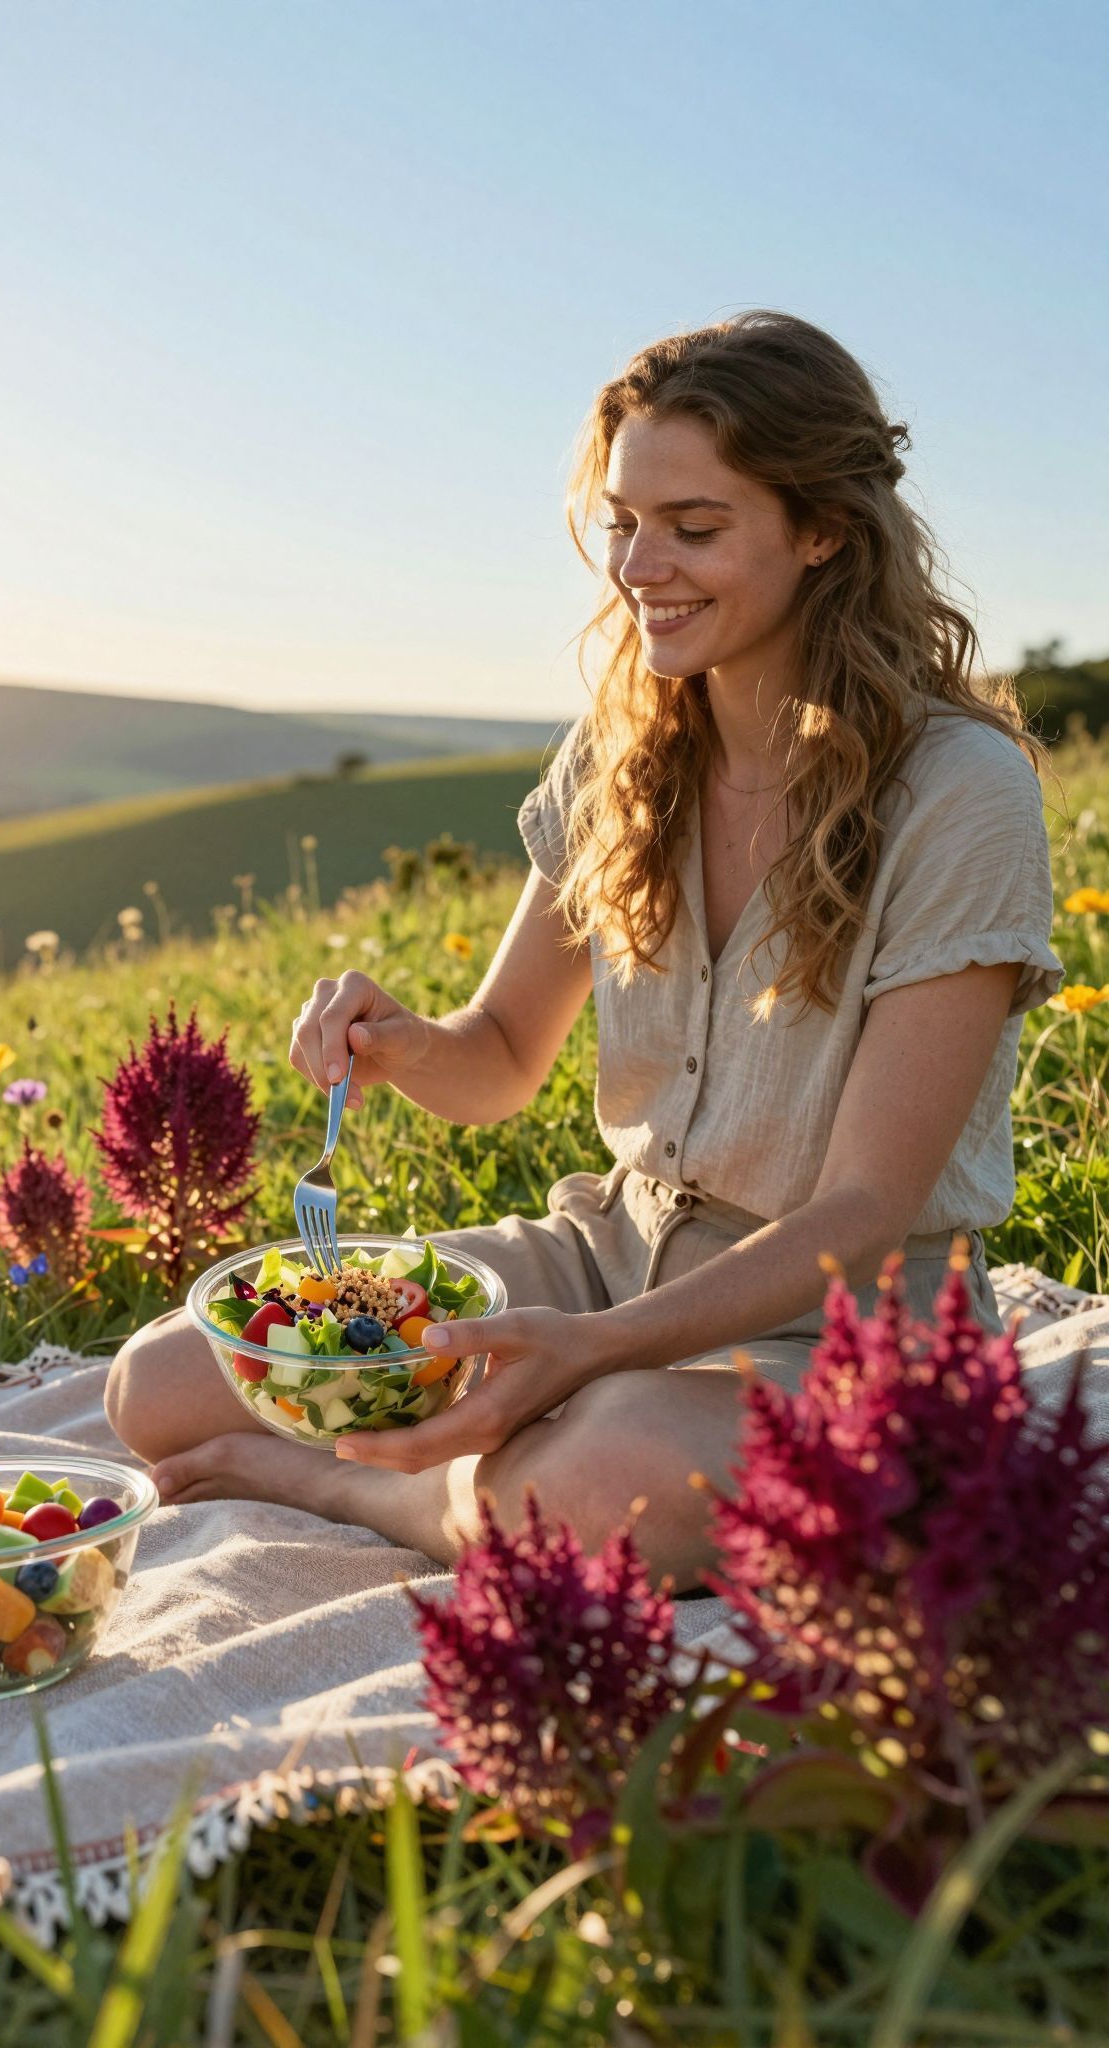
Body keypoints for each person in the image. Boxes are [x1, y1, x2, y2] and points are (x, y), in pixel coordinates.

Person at [105, 308, 1063, 1590]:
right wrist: (401, 1042)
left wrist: (594, 1351)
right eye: (622, 521)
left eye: (695, 527)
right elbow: (501, 1054)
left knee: (597, 1470)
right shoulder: (623, 749)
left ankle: (346, 1484)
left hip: (853, 1329)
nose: (639, 566)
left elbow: (863, 1208)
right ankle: (493, 1460)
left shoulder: (960, 788)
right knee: (161, 1384)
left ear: (824, 529)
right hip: (615, 1245)